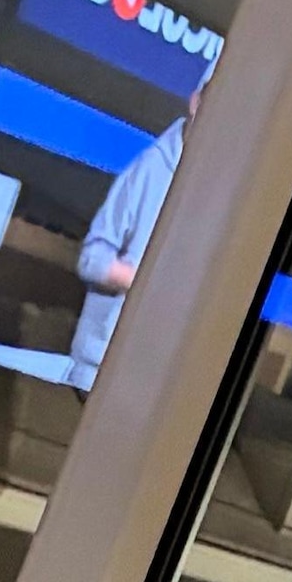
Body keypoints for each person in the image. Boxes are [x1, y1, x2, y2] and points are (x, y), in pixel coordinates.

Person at [71, 113, 183, 381]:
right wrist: (144, 284)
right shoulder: (151, 169)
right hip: (100, 368)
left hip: (156, 375)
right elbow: (92, 259)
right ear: (196, 102)